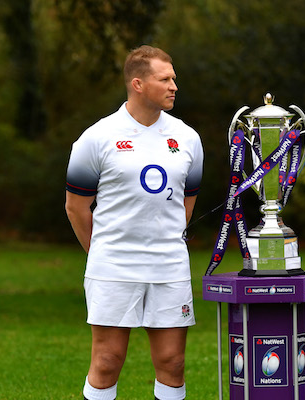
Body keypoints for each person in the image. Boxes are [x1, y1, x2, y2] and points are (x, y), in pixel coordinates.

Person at [65, 45, 203, 400]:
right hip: (113, 263)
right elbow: (76, 207)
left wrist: (165, 240)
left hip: (169, 264)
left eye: (174, 78)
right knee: (108, 360)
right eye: (165, 79)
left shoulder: (187, 138)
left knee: (172, 362)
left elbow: (187, 201)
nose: (175, 86)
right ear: (138, 84)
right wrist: (102, 253)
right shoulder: (97, 137)